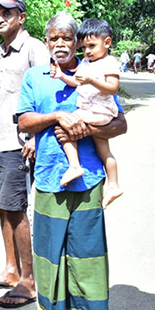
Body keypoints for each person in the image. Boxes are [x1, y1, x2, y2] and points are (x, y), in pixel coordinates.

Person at [17, 11, 127, 310]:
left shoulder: (93, 71)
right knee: (49, 251)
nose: (60, 44)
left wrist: (86, 130)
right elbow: (24, 120)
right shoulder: (35, 77)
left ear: (77, 43)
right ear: (47, 41)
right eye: (54, 38)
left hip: (88, 178)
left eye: (67, 38)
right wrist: (56, 116)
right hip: (48, 176)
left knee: (87, 253)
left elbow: (120, 123)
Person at [0, 0, 49, 308]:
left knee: (16, 209)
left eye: (7, 13)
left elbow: (45, 93)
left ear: (21, 17)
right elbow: (16, 96)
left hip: (18, 144)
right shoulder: (3, 50)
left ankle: (28, 282)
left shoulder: (34, 48)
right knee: (1, 206)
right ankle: (11, 270)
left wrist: (34, 135)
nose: (0, 18)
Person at [50, 18, 123, 208]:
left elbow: (112, 88)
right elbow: (76, 82)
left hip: (100, 110)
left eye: (92, 46)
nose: (87, 51)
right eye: (83, 47)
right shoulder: (86, 63)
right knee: (104, 150)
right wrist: (62, 76)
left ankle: (74, 165)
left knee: (64, 124)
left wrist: (92, 80)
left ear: (107, 43)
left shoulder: (109, 62)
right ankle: (114, 185)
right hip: (91, 110)